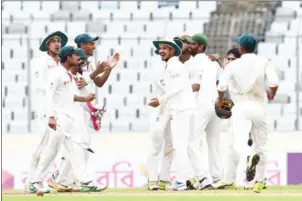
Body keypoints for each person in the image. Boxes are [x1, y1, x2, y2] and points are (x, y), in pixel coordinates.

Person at [28, 46, 103, 193]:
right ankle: (35, 181)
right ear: (69, 57)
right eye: (76, 56)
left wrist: (85, 98)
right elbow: (48, 95)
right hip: (59, 117)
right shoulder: (56, 74)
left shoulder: (67, 75)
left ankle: (85, 181)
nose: (79, 59)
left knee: (76, 150)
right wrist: (50, 116)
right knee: (52, 150)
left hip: (70, 118)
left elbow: (68, 96)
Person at [213, 34, 279, 193]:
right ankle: (259, 181)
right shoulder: (264, 62)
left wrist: (220, 100)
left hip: (241, 106)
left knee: (238, 142)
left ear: (240, 49)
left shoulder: (233, 64)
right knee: (262, 144)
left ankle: (249, 156)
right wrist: (272, 93)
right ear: (255, 47)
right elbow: (274, 83)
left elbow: (221, 86)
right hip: (259, 106)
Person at [149, 38, 198, 191]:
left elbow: (177, 88)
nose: (161, 50)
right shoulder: (166, 67)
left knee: (178, 146)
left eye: (165, 48)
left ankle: (180, 181)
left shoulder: (175, 66)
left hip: (178, 109)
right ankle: (177, 180)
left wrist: (160, 99)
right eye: (160, 48)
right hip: (169, 110)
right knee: (167, 146)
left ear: (173, 51)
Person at [24, 31, 68, 193]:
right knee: (41, 147)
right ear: (47, 45)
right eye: (53, 41)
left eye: (59, 41)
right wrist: (48, 111)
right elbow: (41, 87)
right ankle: (30, 181)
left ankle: (40, 180)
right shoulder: (42, 62)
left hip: (62, 110)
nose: (57, 44)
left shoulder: (63, 63)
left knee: (53, 149)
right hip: (46, 110)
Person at [187, 33, 223, 185]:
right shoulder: (213, 63)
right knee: (213, 141)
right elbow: (221, 81)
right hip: (215, 103)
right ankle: (217, 178)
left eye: (193, 44)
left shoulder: (194, 63)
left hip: (200, 103)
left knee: (192, 142)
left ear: (201, 47)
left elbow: (195, 86)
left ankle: (202, 178)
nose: (189, 46)